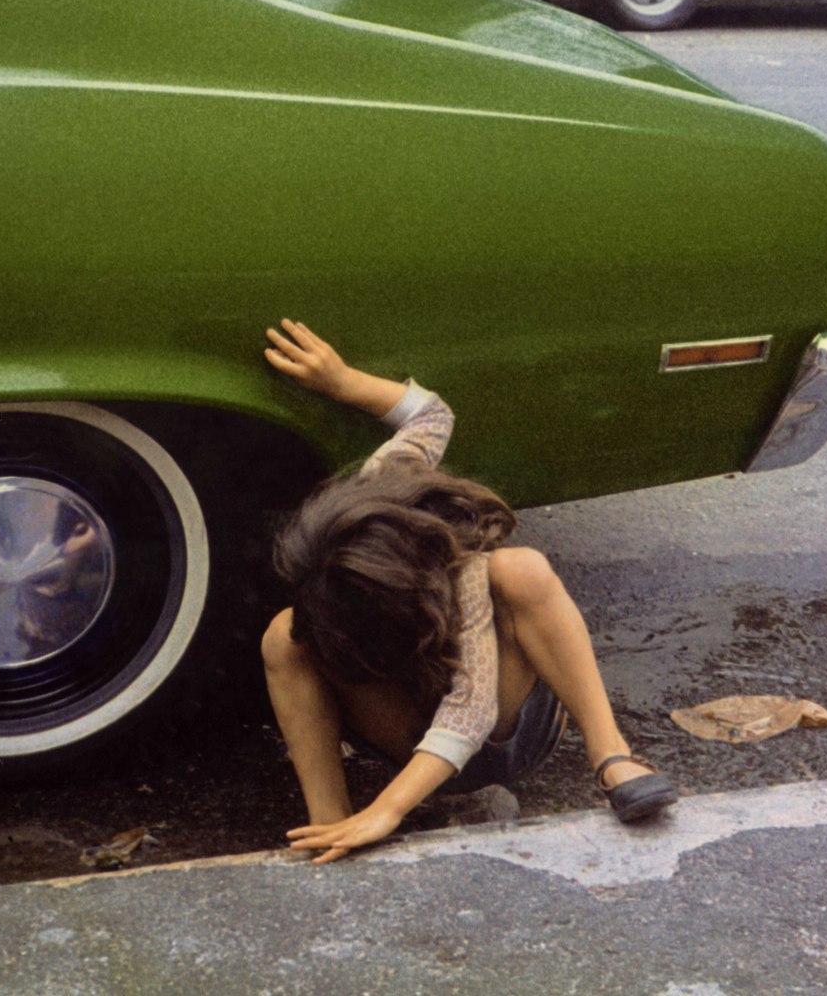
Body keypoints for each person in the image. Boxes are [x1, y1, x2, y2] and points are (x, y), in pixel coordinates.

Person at [259, 318, 679, 863]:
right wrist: (342, 382)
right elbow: (432, 413)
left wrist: (389, 809)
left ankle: (612, 755)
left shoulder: (466, 576)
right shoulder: (385, 481)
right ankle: (330, 823)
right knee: (284, 634)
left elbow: (470, 712)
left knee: (522, 569)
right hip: (402, 730)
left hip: (499, 739)